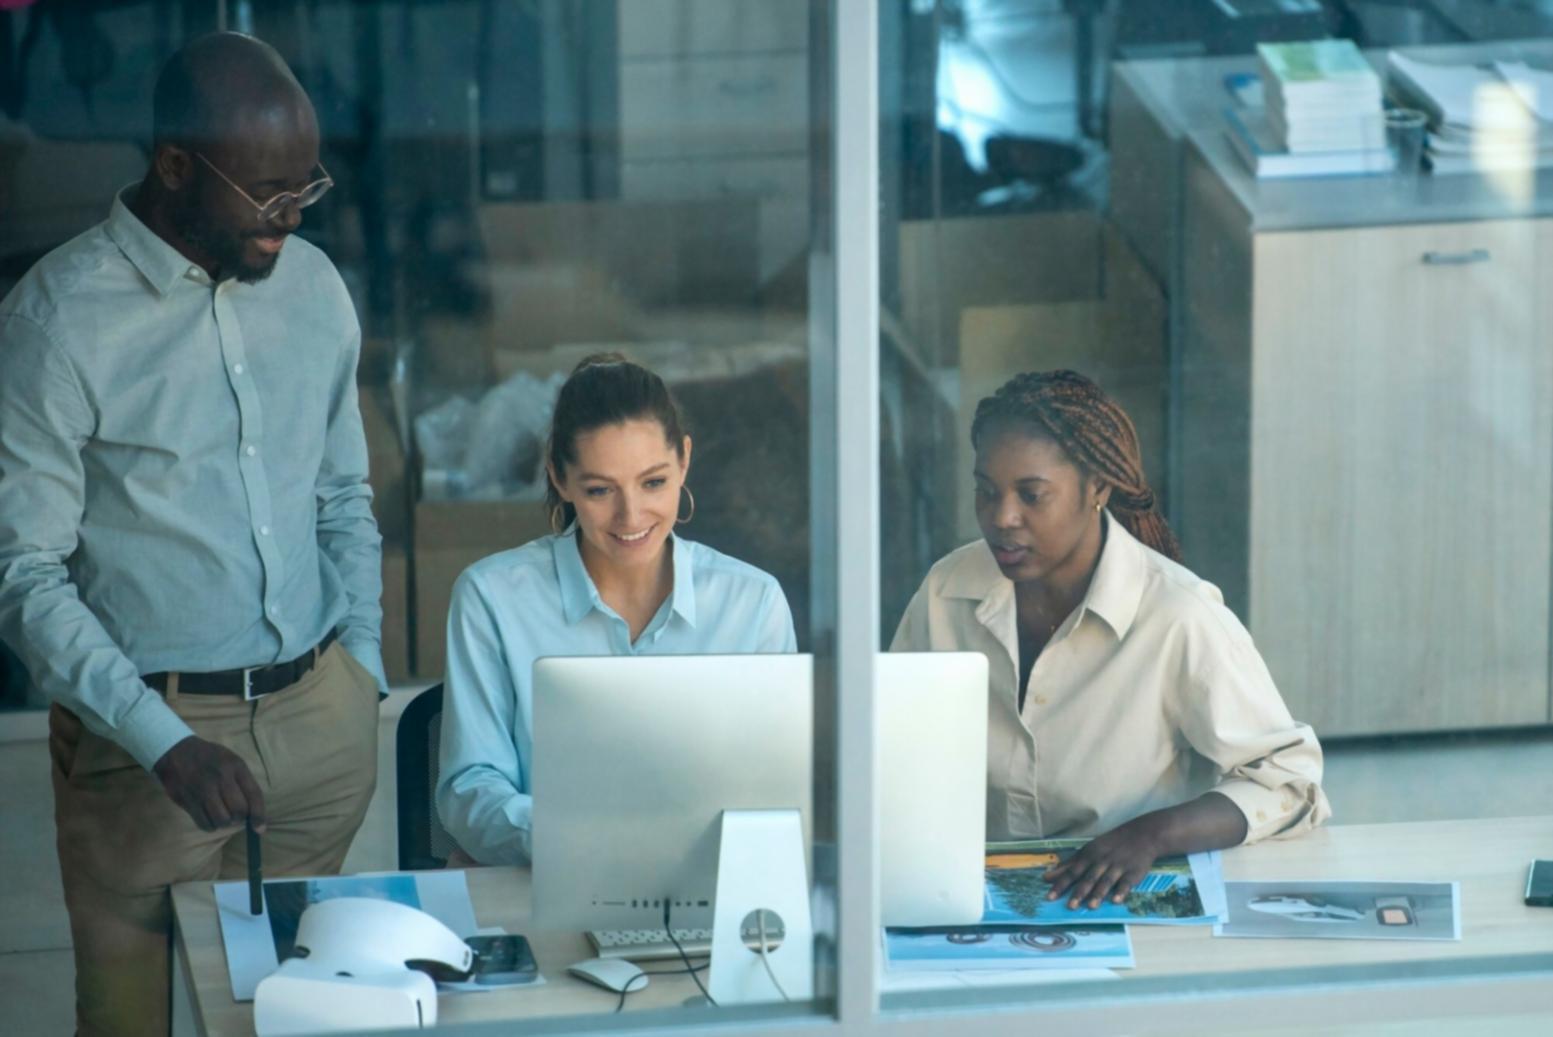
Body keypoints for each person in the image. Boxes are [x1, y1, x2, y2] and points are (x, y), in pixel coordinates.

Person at [0, 33, 383, 1036]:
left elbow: (343, 494)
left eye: (307, 187)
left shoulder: (312, 286)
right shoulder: (55, 320)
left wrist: (365, 677)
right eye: (266, 192)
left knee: (299, 1019)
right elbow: (23, 571)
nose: (290, 216)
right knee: (126, 1022)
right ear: (174, 167)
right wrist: (163, 742)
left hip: (318, 721)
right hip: (145, 746)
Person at [891, 370, 1329, 911]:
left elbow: (1290, 783)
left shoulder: (1178, 616)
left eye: (1032, 495)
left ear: (1097, 487)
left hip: (1122, 900)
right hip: (961, 891)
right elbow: (890, 744)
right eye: (986, 491)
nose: (1002, 517)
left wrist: (1152, 835)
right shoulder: (945, 591)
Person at [436, 353, 798, 865]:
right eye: (601, 490)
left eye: (653, 482)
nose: (632, 516)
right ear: (559, 478)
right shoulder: (492, 598)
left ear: (685, 461)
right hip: (543, 880)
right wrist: (574, 844)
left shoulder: (753, 605)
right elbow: (470, 787)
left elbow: (775, 790)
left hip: (707, 888)